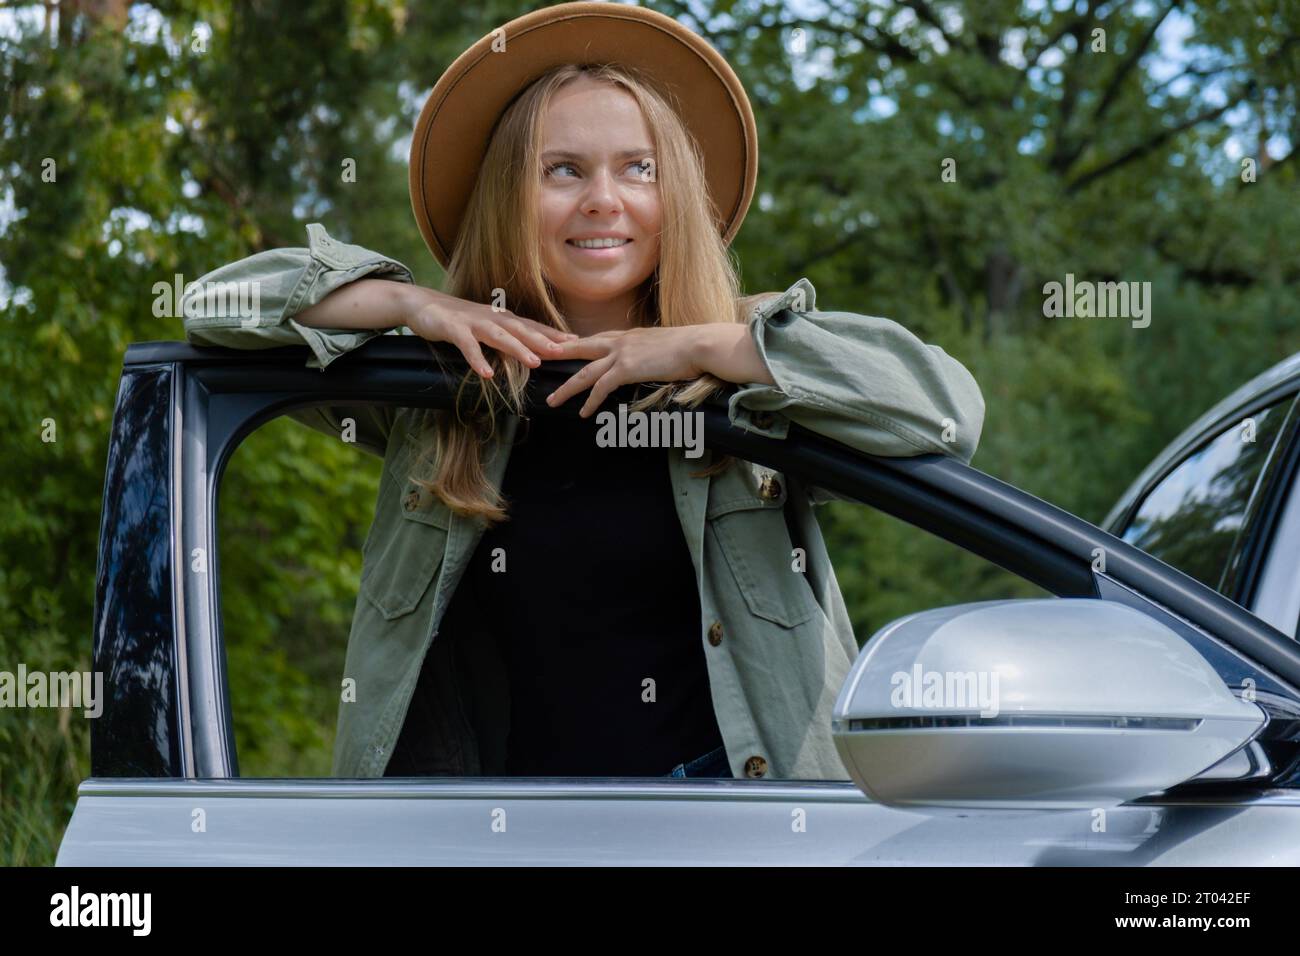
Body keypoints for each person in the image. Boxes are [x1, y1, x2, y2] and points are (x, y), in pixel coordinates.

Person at [181, 2, 985, 781]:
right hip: (493, 835)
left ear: (674, 197)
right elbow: (211, 309)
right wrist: (407, 302)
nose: (604, 198)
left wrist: (700, 342)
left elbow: (945, 408)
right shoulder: (440, 388)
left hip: (733, 823)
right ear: (509, 197)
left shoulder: (742, 372)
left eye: (640, 169)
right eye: (563, 170)